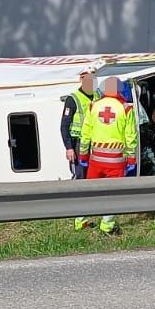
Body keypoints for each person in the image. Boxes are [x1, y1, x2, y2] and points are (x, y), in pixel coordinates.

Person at [76, 77, 137, 234]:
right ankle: (107, 225)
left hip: (95, 159)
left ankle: (80, 220)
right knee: (113, 194)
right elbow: (130, 136)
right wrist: (132, 159)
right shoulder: (126, 108)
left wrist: (83, 156)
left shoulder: (93, 106)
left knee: (90, 192)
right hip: (116, 161)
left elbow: (85, 133)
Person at [59, 67, 97, 179]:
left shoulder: (97, 96)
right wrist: (69, 148)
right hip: (78, 144)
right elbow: (64, 125)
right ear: (82, 79)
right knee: (80, 175)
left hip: (94, 142)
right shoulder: (73, 99)